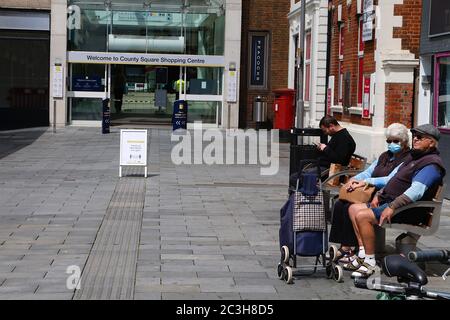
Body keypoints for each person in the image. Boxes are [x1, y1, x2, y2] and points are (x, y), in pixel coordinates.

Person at [346, 124, 446, 278]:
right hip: (391, 201)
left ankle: (370, 261)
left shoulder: (431, 164)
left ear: (431, 142)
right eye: (415, 136)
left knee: (362, 216)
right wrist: (379, 193)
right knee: (353, 209)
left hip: (409, 210)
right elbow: (392, 178)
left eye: (420, 137)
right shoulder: (414, 157)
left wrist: (392, 206)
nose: (416, 140)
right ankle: (362, 253)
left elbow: (416, 192)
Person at [329, 123, 411, 263]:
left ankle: (352, 248)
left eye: (396, 141)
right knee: (339, 203)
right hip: (371, 191)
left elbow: (390, 179)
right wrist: (355, 180)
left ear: (404, 142)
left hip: (384, 195)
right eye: (389, 141)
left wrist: (367, 182)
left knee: (349, 206)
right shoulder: (384, 156)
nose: (392, 144)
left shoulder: (406, 159)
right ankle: (345, 246)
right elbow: (368, 171)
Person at [289, 116, 356, 189]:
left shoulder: (344, 138)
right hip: (324, 168)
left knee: (295, 178)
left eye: (325, 130)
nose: (325, 133)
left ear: (331, 126)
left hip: (330, 171)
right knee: (296, 176)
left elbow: (339, 160)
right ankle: (306, 195)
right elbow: (333, 152)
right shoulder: (338, 135)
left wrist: (325, 148)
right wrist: (322, 148)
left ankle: (309, 196)